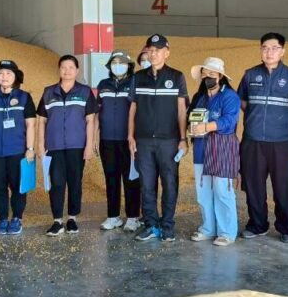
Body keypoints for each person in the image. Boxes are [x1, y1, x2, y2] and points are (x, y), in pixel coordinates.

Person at [237, 33, 288, 244]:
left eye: (274, 48)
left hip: (282, 142)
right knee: (253, 187)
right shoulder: (250, 75)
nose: (269, 52)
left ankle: (287, 227)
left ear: (282, 51)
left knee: (283, 187)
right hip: (253, 141)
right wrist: (257, 120)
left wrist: (280, 122)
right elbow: (243, 103)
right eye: (265, 48)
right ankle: (257, 225)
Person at [128, 34, 189, 242]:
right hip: (143, 141)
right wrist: (130, 136)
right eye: (150, 50)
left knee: (170, 184)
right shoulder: (138, 77)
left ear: (167, 52)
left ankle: (167, 225)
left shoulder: (177, 76)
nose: (153, 54)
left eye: (158, 50)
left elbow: (181, 110)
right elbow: (133, 109)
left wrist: (183, 139)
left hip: (169, 141)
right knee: (146, 185)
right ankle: (151, 225)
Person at [36, 55, 97, 236]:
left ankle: (72, 218)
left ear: (77, 70)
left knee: (75, 182)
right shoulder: (48, 92)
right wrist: (40, 145)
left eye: (71, 67)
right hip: (54, 146)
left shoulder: (85, 92)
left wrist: (89, 145)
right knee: (56, 183)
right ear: (59, 69)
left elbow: (90, 120)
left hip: (77, 146)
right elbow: (42, 121)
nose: (67, 71)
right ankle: (57, 221)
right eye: (63, 67)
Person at [0, 60, 36, 237]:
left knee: (18, 186)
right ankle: (2, 219)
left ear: (15, 77)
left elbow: (31, 125)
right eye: (1, 73)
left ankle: (17, 218)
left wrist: (30, 148)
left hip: (17, 151)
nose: (4, 76)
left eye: (9, 73)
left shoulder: (24, 97)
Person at [187, 57, 241, 246]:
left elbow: (229, 121)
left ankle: (227, 232)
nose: (207, 77)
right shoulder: (200, 98)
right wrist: (192, 128)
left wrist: (207, 126)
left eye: (212, 74)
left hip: (222, 149)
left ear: (220, 76)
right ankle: (208, 228)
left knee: (222, 191)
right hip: (201, 148)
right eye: (204, 74)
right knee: (203, 192)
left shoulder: (230, 97)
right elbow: (191, 119)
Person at [95, 50, 141, 232]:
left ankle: (132, 217)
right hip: (107, 139)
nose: (117, 65)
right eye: (114, 62)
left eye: (121, 62)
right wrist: (95, 137)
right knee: (111, 178)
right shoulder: (103, 84)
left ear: (129, 65)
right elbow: (97, 113)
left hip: (128, 140)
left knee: (131, 179)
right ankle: (113, 216)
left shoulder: (135, 83)